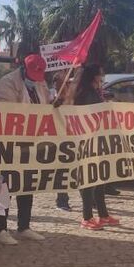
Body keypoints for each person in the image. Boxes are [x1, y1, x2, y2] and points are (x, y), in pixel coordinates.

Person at [0, 54, 50, 243]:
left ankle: (24, 226)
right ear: (23, 69)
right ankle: (1, 229)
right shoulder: (7, 82)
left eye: (38, 76)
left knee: (27, 183)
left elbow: (45, 106)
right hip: (9, 142)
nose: (35, 79)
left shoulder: (41, 82)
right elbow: (6, 111)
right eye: (32, 74)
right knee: (4, 184)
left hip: (31, 141)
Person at [74, 64, 119, 229]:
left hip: (98, 139)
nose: (103, 77)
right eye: (101, 74)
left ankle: (103, 214)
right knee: (89, 178)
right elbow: (88, 115)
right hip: (88, 140)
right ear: (94, 76)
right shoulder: (86, 93)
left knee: (100, 177)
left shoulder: (93, 91)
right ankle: (87, 217)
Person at [51, 72, 74, 211]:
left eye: (66, 82)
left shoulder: (71, 95)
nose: (65, 84)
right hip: (56, 138)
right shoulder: (50, 94)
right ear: (55, 83)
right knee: (61, 169)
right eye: (62, 82)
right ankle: (62, 200)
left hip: (70, 136)